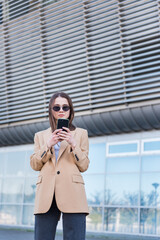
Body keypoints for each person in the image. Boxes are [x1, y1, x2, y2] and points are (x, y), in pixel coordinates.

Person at [30, 92, 90, 240]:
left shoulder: (81, 134)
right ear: (51, 110)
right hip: (46, 194)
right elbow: (35, 164)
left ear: (71, 111)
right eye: (56, 107)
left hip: (73, 192)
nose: (61, 110)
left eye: (65, 107)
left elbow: (84, 165)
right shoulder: (41, 136)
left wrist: (73, 144)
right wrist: (48, 145)